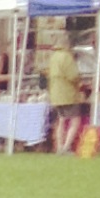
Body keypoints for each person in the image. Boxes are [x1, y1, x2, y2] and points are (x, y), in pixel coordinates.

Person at [41, 23, 86, 155]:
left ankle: (59, 147)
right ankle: (67, 146)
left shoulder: (54, 57)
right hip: (68, 94)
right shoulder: (67, 57)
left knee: (61, 120)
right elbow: (73, 76)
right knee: (75, 120)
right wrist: (80, 82)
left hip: (56, 94)